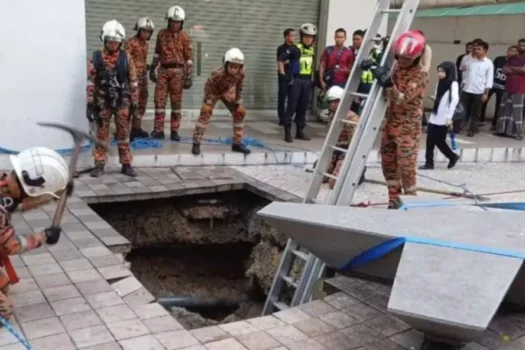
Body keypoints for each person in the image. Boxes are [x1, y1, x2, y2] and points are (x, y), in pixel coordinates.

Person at [0, 147, 72, 320]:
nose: (29, 199)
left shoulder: (5, 182)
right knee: (4, 311)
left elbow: (17, 204)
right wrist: (44, 236)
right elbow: (12, 245)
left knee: (4, 286)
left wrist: (55, 195)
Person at [376, 30, 429, 209]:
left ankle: (411, 206)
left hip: (407, 130)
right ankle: (393, 203)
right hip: (390, 125)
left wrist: (388, 84)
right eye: (400, 57)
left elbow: (402, 98)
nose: (403, 61)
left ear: (417, 56)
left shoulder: (420, 74)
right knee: (388, 166)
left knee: (407, 170)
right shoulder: (397, 67)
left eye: (407, 59)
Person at [86, 19, 138, 178]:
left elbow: (133, 81)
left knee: (123, 133)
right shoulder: (95, 57)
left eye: (116, 41)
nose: (113, 44)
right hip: (103, 102)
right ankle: (99, 164)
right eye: (111, 41)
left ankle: (127, 164)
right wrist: (89, 103)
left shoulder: (126, 57)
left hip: (122, 101)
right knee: (102, 133)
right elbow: (90, 81)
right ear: (104, 40)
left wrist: (134, 102)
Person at [191, 48, 250, 156]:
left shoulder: (241, 73)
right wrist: (208, 100)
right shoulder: (217, 74)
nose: (233, 69)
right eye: (231, 66)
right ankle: (196, 143)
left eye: (236, 67)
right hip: (213, 92)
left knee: (240, 111)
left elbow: (239, 86)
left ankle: (236, 143)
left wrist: (238, 101)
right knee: (206, 112)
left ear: (240, 67)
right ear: (226, 64)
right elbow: (208, 85)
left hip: (227, 91)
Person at [149, 6, 193, 141]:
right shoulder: (161, 34)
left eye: (178, 22)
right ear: (168, 21)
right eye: (173, 21)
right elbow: (157, 53)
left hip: (178, 72)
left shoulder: (185, 36)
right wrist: (152, 68)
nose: (175, 24)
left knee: (176, 103)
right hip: (163, 70)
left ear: (182, 23)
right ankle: (158, 131)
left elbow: (189, 58)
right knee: (159, 101)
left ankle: (174, 131)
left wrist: (188, 76)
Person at [279, 23, 317, 143]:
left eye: (310, 37)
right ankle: (287, 133)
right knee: (291, 107)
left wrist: (313, 81)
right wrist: (283, 74)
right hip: (296, 81)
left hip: (306, 82)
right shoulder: (295, 48)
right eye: (305, 36)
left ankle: (300, 132)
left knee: (302, 108)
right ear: (301, 36)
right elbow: (280, 59)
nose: (308, 39)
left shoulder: (311, 50)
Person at [322, 86, 365, 189]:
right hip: (335, 150)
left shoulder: (351, 118)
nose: (332, 104)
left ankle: (358, 170)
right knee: (321, 176)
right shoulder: (331, 116)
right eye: (330, 102)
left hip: (346, 151)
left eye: (336, 102)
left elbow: (356, 141)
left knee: (334, 184)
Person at [419, 62, 460, 170]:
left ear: (448, 71)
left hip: (445, 117)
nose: (440, 74)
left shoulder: (453, 83)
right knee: (430, 140)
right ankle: (429, 163)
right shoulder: (440, 82)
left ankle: (452, 156)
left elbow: (454, 100)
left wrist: (450, 117)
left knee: (439, 140)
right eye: (439, 71)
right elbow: (439, 96)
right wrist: (434, 99)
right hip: (436, 114)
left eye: (442, 71)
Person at [125, 17, 155, 141]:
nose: (146, 33)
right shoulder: (130, 42)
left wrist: (146, 66)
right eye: (144, 30)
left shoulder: (145, 44)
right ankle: (125, 130)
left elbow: (141, 60)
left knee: (142, 103)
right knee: (132, 104)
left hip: (143, 78)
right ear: (138, 30)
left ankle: (136, 128)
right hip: (133, 79)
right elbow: (126, 60)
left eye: (148, 31)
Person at [461, 40, 494, 137]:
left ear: (485, 50)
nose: (476, 51)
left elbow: (489, 80)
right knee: (462, 109)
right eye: (475, 49)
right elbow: (463, 72)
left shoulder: (488, 63)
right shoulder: (468, 60)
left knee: (476, 112)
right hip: (466, 89)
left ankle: (472, 129)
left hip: (479, 91)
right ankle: (458, 126)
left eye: (479, 49)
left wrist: (486, 93)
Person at [495, 45, 525, 140]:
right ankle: (502, 130)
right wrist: (517, 69)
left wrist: (512, 69)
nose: (521, 47)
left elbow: (524, 70)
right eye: (520, 45)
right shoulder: (511, 59)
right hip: (508, 88)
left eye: (523, 46)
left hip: (519, 89)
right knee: (504, 110)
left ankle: (517, 133)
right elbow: (504, 69)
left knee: (516, 112)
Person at [482, 48, 509, 130]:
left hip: (503, 87)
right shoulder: (499, 59)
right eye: (510, 51)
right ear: (507, 51)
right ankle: (480, 119)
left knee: (499, 106)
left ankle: (494, 123)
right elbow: (491, 70)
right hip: (492, 84)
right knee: (483, 101)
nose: (511, 53)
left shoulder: (513, 63)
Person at [276, 28, 296, 126]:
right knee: (282, 96)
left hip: (292, 74)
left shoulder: (295, 48)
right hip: (283, 74)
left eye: (294, 35)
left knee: (292, 97)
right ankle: (281, 118)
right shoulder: (281, 48)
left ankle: (289, 116)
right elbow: (281, 61)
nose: (293, 37)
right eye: (292, 35)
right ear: (286, 37)